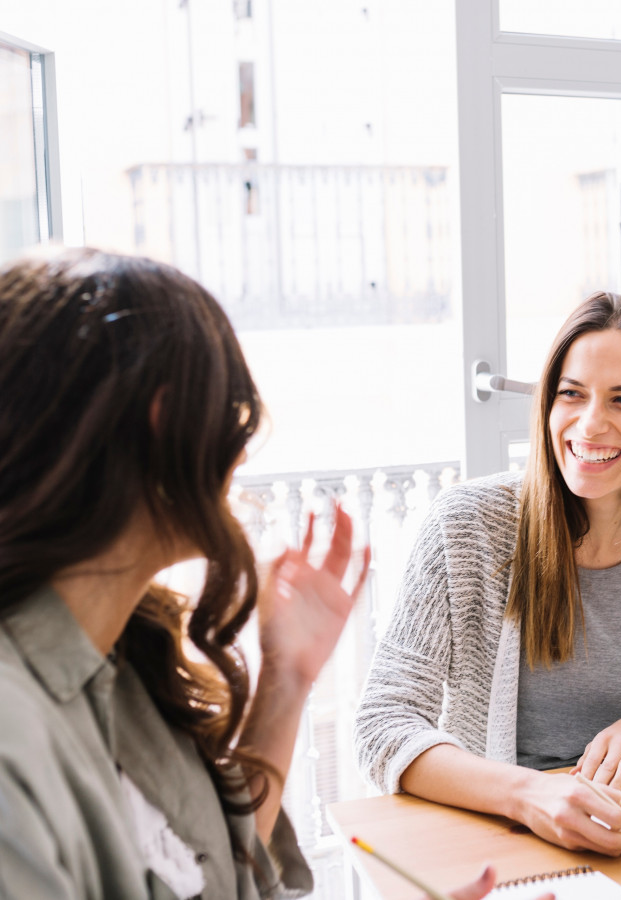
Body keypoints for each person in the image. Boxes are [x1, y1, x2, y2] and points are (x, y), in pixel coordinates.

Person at [0, 247, 509, 900]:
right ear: (163, 423)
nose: (241, 454)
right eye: (230, 412)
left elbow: (220, 879)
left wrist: (287, 682)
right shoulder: (16, 738)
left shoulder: (125, 662)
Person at [354, 291, 621, 857]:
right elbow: (382, 723)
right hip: (493, 839)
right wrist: (530, 796)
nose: (590, 425)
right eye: (571, 394)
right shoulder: (467, 528)